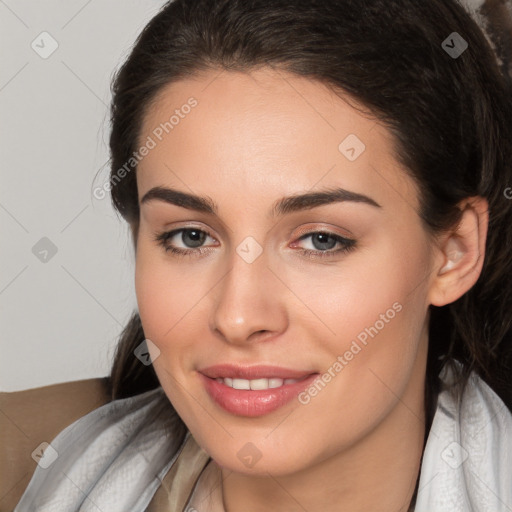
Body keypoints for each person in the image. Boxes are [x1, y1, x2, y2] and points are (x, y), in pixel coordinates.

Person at [14, 0, 512, 510]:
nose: (238, 317)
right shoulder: (35, 468)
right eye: (189, 237)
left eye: (321, 240)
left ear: (454, 252)